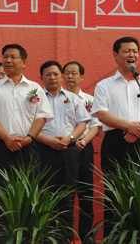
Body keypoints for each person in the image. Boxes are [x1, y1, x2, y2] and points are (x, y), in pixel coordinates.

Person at [0, 44, 54, 238]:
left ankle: (27, 239)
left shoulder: (35, 88)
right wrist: (6, 137)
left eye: (13, 57)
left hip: (28, 148)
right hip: (1, 147)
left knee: (30, 196)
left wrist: (28, 138)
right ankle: (0, 239)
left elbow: (41, 117)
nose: (8, 60)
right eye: (5, 57)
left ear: (24, 62)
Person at [92, 36, 140, 237]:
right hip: (116, 141)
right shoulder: (104, 85)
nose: (131, 55)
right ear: (115, 55)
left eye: (135, 51)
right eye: (126, 51)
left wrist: (139, 129)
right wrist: (129, 127)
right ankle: (114, 238)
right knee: (114, 192)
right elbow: (101, 113)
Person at [38, 61, 90, 243]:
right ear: (41, 77)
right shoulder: (35, 98)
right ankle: (45, 238)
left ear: (61, 76)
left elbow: (83, 122)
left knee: (67, 197)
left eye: (55, 74)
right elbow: (29, 126)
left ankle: (65, 239)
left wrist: (70, 139)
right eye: (48, 74)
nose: (52, 77)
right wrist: (49, 141)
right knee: (43, 195)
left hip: (69, 150)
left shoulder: (73, 98)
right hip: (42, 150)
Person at [63, 61, 102, 244]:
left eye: (74, 73)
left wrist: (82, 142)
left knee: (86, 194)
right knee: (65, 194)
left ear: (82, 77)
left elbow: (96, 126)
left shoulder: (89, 100)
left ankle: (87, 236)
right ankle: (64, 236)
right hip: (62, 150)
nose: (70, 76)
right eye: (67, 73)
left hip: (84, 149)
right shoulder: (56, 98)